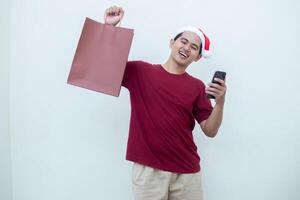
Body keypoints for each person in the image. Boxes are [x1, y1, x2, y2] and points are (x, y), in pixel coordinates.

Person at [104, 6, 227, 200]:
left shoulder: (196, 87)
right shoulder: (140, 71)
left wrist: (220, 103)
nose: (187, 48)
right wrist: (110, 29)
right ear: (172, 43)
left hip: (187, 174)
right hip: (149, 173)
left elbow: (210, 131)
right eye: (183, 41)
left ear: (198, 57)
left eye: (194, 47)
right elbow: (106, 67)